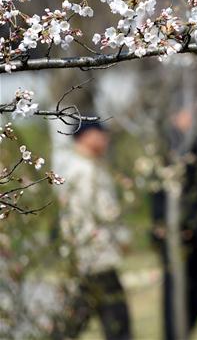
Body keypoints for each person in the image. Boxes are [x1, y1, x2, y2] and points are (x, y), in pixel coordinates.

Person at [55, 120, 132, 340]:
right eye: (101, 134)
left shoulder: (82, 167)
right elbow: (105, 212)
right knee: (117, 322)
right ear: (87, 136)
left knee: (77, 319)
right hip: (96, 255)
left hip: (88, 257)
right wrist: (123, 237)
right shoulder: (85, 171)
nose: (105, 140)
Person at [150, 107, 197, 340]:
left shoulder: (193, 144)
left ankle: (182, 332)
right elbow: (160, 192)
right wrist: (163, 226)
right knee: (175, 292)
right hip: (174, 233)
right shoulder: (168, 146)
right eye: (185, 113)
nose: (190, 118)